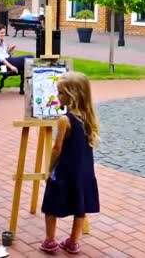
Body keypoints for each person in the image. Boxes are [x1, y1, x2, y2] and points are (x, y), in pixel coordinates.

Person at [39, 72, 100, 255]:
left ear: (72, 95)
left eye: (61, 93)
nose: (57, 97)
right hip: (84, 172)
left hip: (65, 171)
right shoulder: (88, 118)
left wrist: (49, 170)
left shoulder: (65, 119)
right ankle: (73, 242)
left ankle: (50, 240)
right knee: (79, 205)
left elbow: (57, 148)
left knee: (51, 203)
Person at [0, 24, 33, 94]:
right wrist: (11, 67)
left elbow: (4, 54)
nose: (3, 34)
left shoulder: (1, 41)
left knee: (27, 64)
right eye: (1, 33)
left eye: (4, 33)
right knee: (29, 58)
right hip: (1, 67)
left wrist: (9, 51)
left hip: (7, 62)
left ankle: (24, 88)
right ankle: (29, 86)